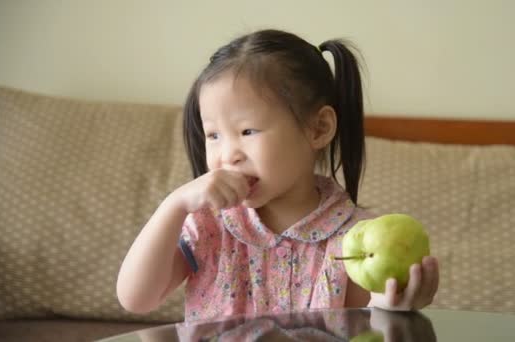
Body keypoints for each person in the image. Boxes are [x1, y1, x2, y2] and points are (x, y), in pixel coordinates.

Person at [116, 29, 439, 322]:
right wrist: (173, 205)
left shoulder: (354, 237)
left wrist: (391, 307)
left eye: (247, 131)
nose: (227, 154)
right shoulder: (209, 225)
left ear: (319, 128)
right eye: (213, 135)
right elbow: (137, 298)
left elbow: (364, 329)